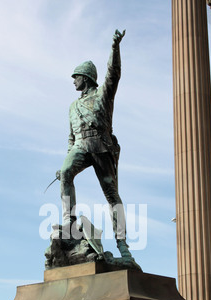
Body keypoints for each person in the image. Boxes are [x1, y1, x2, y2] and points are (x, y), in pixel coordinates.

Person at [59, 29, 132, 259]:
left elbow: (114, 74)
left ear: (87, 77)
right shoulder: (72, 107)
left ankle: (123, 245)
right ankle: (68, 222)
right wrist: (66, 161)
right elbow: (71, 139)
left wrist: (114, 48)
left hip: (101, 145)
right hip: (81, 145)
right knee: (65, 173)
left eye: (76, 76)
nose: (74, 80)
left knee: (112, 195)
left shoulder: (103, 95)